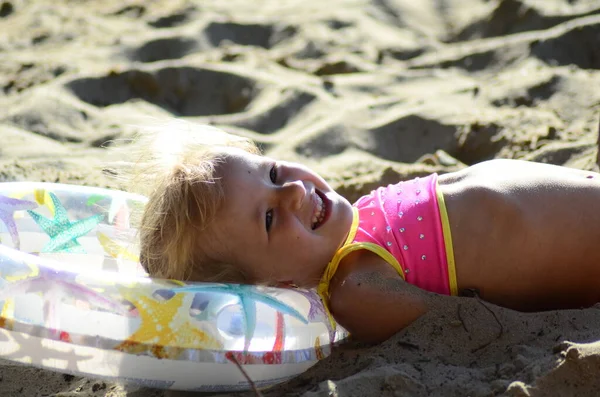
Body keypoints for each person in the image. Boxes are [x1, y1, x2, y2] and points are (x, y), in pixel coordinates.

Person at [128, 121, 600, 343]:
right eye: (269, 218)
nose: (292, 191)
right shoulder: (354, 288)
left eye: (272, 172)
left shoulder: (356, 217)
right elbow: (463, 323)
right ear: (277, 288)